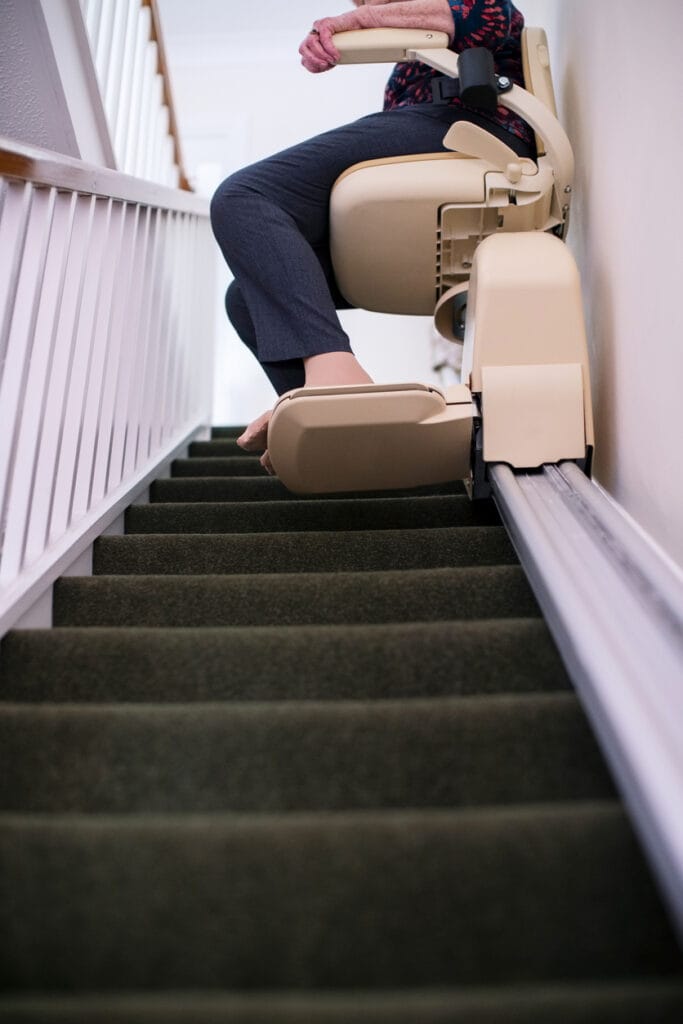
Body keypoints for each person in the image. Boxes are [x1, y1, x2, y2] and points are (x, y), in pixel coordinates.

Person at [210, 0, 533, 470]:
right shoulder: (404, 74)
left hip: (474, 129)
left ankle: (336, 380)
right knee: (244, 298)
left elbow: (473, 18)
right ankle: (336, 422)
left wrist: (350, 25)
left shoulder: (480, 7)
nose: (366, 6)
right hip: (425, 174)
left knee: (243, 197)